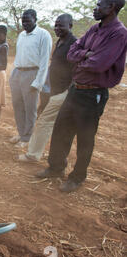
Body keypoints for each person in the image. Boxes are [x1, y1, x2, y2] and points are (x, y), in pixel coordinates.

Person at [36, 0, 127, 192]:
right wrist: (85, 54)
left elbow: (99, 64)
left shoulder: (119, 33)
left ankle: (77, 177)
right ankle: (56, 167)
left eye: (98, 5)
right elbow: (72, 53)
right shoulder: (94, 29)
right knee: (61, 130)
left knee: (85, 138)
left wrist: (82, 60)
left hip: (93, 94)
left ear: (111, 7)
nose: (95, 9)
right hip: (75, 89)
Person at [17, 14, 76, 163]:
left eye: (61, 25)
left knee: (44, 122)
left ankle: (34, 155)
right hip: (55, 90)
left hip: (64, 92)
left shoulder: (74, 44)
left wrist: (68, 91)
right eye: (55, 25)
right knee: (54, 125)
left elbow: (76, 69)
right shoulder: (61, 42)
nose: (57, 28)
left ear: (70, 25)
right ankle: (56, 161)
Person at [9, 9, 53, 148]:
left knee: (30, 108)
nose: (25, 24)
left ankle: (27, 138)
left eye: (28, 20)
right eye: (23, 21)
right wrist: (13, 75)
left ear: (35, 19)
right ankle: (21, 133)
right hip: (18, 73)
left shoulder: (43, 35)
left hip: (32, 74)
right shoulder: (21, 35)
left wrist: (39, 82)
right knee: (18, 106)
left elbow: (45, 61)